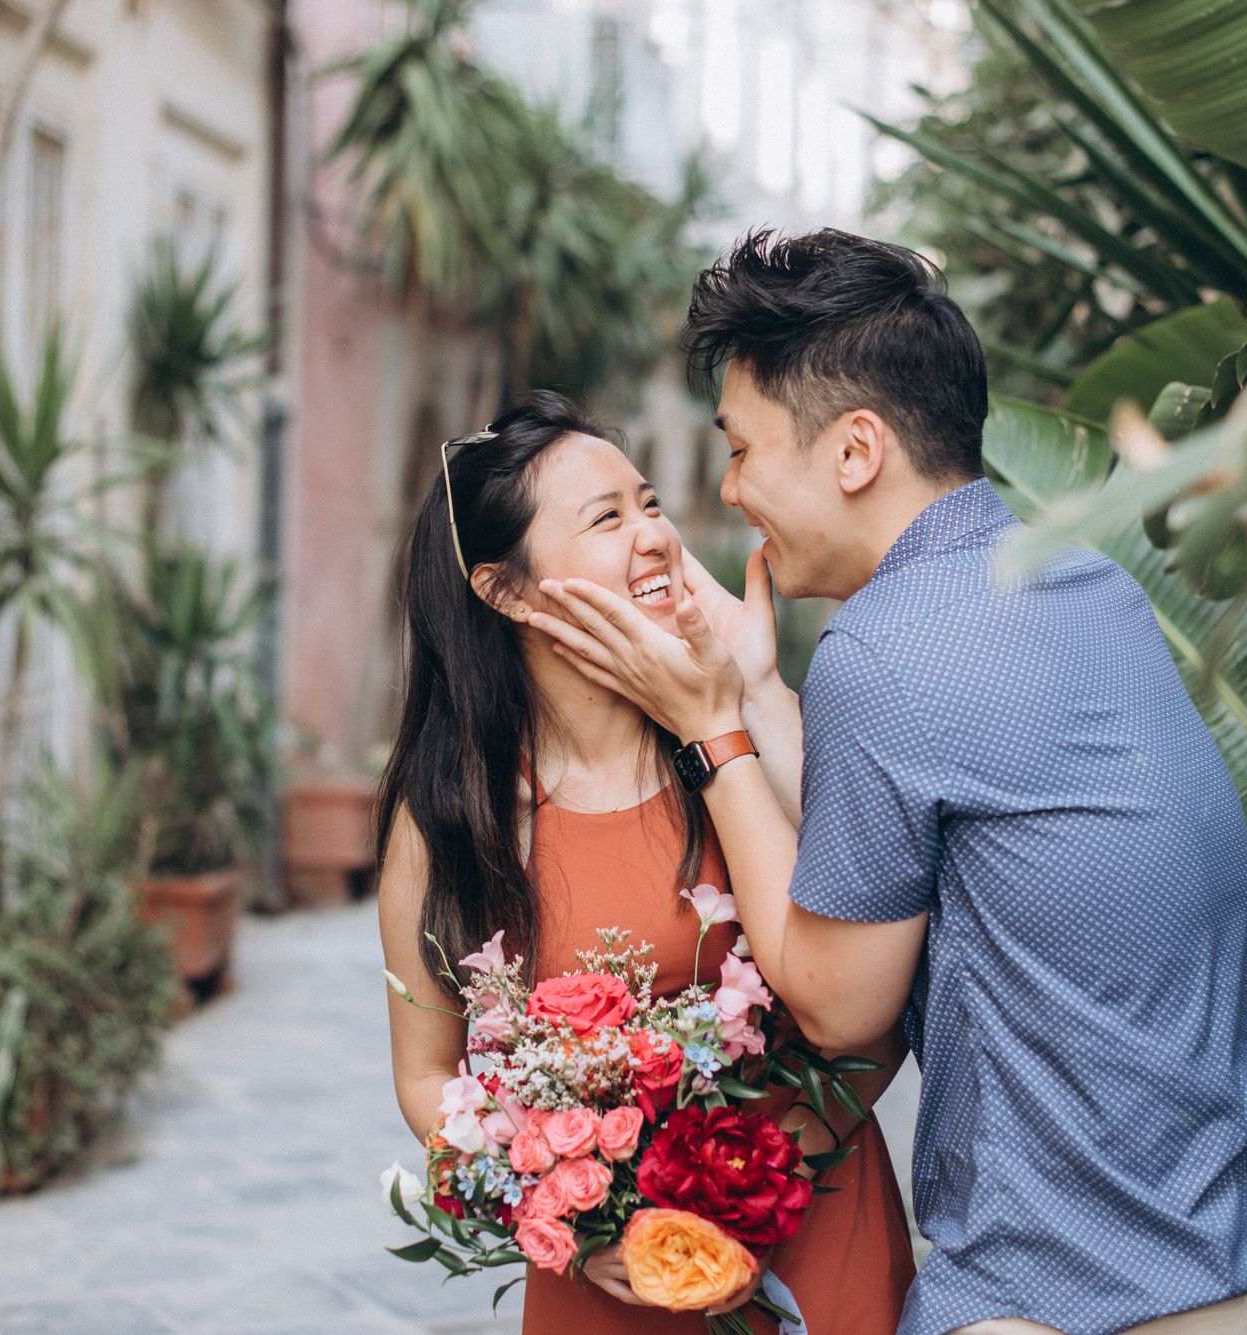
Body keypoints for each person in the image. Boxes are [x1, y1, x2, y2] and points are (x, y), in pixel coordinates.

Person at [527, 229, 1247, 1335]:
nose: (729, 489)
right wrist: (753, 692)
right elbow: (910, 845)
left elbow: (835, 997)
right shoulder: (1082, 580)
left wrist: (709, 728)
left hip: (1074, 1298)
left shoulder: (883, 651)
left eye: (744, 448)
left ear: (854, 451)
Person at [375, 390, 916, 1334]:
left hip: (812, 1240)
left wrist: (771, 1174)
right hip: (608, 1292)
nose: (656, 535)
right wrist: (578, 1225)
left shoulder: (743, 743)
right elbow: (428, 1076)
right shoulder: (455, 817)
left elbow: (878, 991)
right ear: (503, 589)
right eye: (608, 517)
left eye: (651, 503)